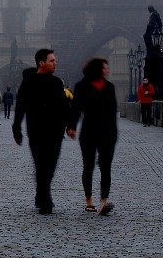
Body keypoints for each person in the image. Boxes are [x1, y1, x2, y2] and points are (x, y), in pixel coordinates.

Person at [12, 49, 69, 214]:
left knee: (50, 165)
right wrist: (16, 129)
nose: (55, 63)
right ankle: (46, 200)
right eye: (52, 61)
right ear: (41, 63)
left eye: (55, 60)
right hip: (36, 131)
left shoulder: (57, 82)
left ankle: (41, 192)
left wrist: (69, 124)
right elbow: (20, 106)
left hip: (56, 131)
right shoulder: (28, 82)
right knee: (40, 165)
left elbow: (64, 106)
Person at [67, 58, 118, 216]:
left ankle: (104, 200)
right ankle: (89, 200)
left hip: (107, 133)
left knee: (105, 167)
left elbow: (112, 112)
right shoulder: (81, 86)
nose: (107, 70)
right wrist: (72, 126)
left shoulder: (110, 87)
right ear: (97, 69)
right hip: (89, 132)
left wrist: (114, 134)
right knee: (88, 166)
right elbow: (76, 108)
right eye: (105, 68)